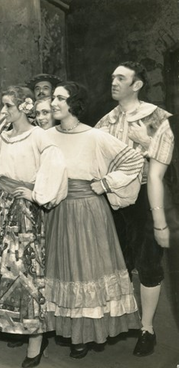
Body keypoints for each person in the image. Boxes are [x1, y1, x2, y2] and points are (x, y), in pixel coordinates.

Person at [44, 81, 143, 359]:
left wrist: (108, 183)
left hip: (88, 211)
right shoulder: (46, 135)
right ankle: (63, 329)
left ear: (74, 104)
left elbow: (134, 161)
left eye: (60, 98)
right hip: (56, 211)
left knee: (85, 271)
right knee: (62, 271)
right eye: (53, 97)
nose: (53, 102)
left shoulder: (94, 136)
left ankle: (84, 336)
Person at [0, 85, 68, 368]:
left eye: (8, 106)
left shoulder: (40, 136)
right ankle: (7, 326)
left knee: (26, 273)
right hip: (0, 205)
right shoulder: (3, 136)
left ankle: (35, 343)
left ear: (25, 106)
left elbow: (55, 168)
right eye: (3, 105)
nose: (3, 110)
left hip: (23, 211)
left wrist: (36, 194)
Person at [95, 61, 174, 357]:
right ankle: (123, 320)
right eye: (112, 76)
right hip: (113, 199)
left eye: (121, 78)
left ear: (137, 84)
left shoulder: (157, 118)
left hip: (145, 197)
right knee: (118, 262)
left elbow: (158, 171)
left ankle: (147, 328)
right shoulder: (105, 122)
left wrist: (146, 144)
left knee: (149, 263)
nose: (113, 81)